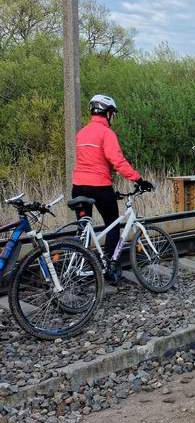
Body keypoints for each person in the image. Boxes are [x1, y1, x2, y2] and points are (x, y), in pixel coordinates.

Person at [71, 94, 153, 284]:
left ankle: (79, 267)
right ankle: (110, 267)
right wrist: (138, 179)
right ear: (107, 113)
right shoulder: (107, 133)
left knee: (83, 227)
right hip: (99, 186)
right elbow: (117, 161)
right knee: (113, 223)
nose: (112, 117)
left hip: (79, 187)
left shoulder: (81, 133)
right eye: (112, 113)